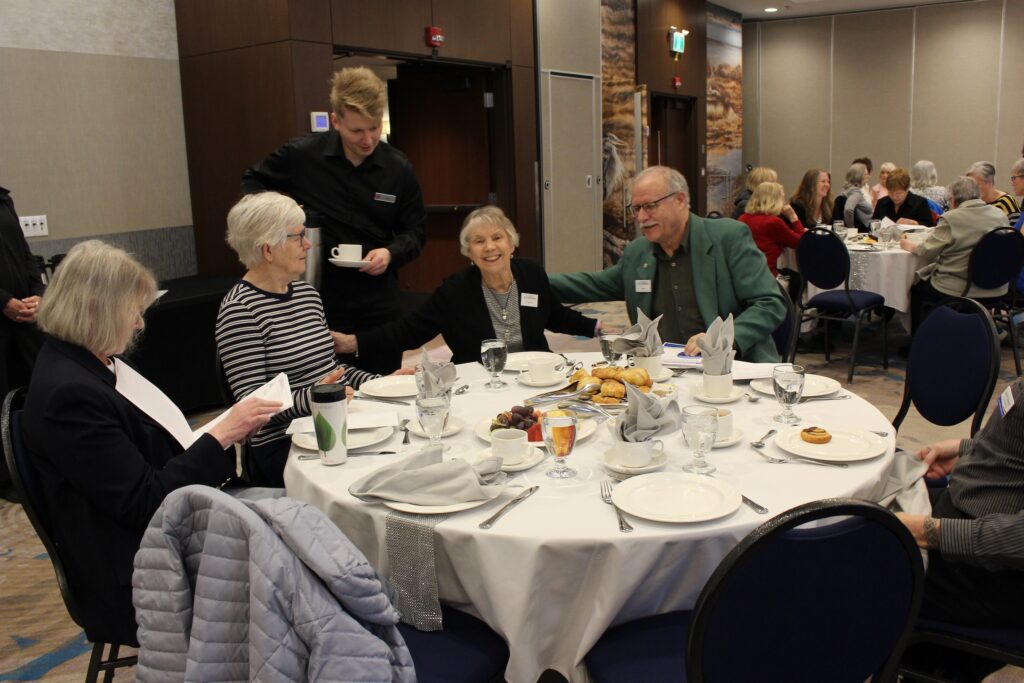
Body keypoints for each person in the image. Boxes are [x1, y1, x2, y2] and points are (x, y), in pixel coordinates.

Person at [21, 240, 282, 646]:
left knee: (294, 522)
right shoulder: (69, 395)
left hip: (151, 534)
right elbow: (145, 502)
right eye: (133, 312)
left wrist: (217, 435)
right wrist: (221, 436)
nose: (139, 325)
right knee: (292, 546)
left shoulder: (84, 362)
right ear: (97, 309)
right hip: (133, 571)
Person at [241, 67, 427, 375]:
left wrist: (390, 252)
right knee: (329, 384)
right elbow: (252, 180)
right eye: (357, 131)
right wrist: (285, 213)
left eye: (374, 128)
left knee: (385, 383)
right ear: (336, 121)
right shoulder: (302, 155)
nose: (368, 139)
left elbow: (416, 232)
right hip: (317, 294)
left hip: (378, 299)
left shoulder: (398, 167)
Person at [216, 192, 406, 487]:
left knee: (402, 452)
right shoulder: (240, 310)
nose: (308, 244)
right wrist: (317, 397)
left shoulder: (307, 295)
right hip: (284, 444)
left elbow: (332, 373)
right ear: (268, 249)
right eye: (298, 237)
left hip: (330, 422)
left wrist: (381, 384)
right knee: (374, 479)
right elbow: (252, 409)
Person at [549, 166, 785, 363]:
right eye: (636, 209)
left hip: (735, 367)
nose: (641, 218)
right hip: (666, 374)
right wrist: (530, 277)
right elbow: (591, 285)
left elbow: (769, 303)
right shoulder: (638, 253)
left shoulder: (728, 238)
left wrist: (724, 337)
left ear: (680, 200)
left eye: (650, 206)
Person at [332, 206, 597, 364]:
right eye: (479, 241)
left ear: (511, 243)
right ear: (468, 252)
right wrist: (354, 342)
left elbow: (554, 315)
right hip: (480, 379)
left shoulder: (532, 274)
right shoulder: (455, 291)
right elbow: (409, 331)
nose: (490, 247)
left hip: (534, 372)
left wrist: (596, 328)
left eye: (497, 238)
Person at [895, 377, 1024, 630]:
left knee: (855, 558)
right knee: (857, 510)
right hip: (970, 518)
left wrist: (926, 531)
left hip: (994, 569)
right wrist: (971, 451)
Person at [899, 176, 1008, 332]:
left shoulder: (952, 218)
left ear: (954, 201)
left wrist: (908, 245)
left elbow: (926, 252)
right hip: (997, 287)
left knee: (916, 287)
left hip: (960, 288)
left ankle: (921, 339)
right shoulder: (1000, 215)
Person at [0, 185, 44, 401]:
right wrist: (3, 302)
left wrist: (39, 293)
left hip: (26, 320)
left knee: (37, 391)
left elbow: (25, 252)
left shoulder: (3, 199)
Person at [738, 181, 806, 276]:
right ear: (775, 200)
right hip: (766, 275)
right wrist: (793, 218)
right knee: (797, 278)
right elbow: (801, 242)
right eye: (782, 198)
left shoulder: (742, 218)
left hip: (745, 274)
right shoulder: (773, 222)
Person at [839, 163, 873, 231]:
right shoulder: (855, 192)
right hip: (863, 231)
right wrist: (851, 228)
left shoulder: (845, 190)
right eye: (865, 174)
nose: (867, 176)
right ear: (859, 176)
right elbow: (848, 209)